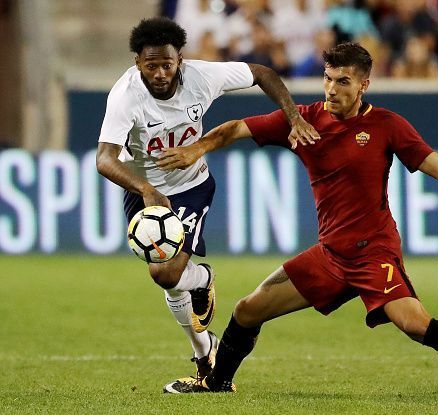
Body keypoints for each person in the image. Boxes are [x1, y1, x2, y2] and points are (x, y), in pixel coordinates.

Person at [157, 42, 438, 399]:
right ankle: (217, 383)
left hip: (374, 253)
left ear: (363, 85)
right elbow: (238, 127)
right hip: (330, 256)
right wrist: (197, 148)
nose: (331, 88)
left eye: (343, 81)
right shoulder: (303, 120)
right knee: (246, 311)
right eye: (327, 78)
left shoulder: (388, 125)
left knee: (414, 323)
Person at [95, 16, 319, 392]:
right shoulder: (125, 95)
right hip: (144, 189)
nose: (161, 73)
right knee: (170, 282)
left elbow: (263, 73)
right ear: (138, 63)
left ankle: (202, 280)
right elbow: (105, 159)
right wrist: (147, 190)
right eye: (151, 66)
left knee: (165, 273)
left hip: (191, 185)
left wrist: (293, 116)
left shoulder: (203, 77)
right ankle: (204, 350)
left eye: (168, 64)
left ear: (179, 59)